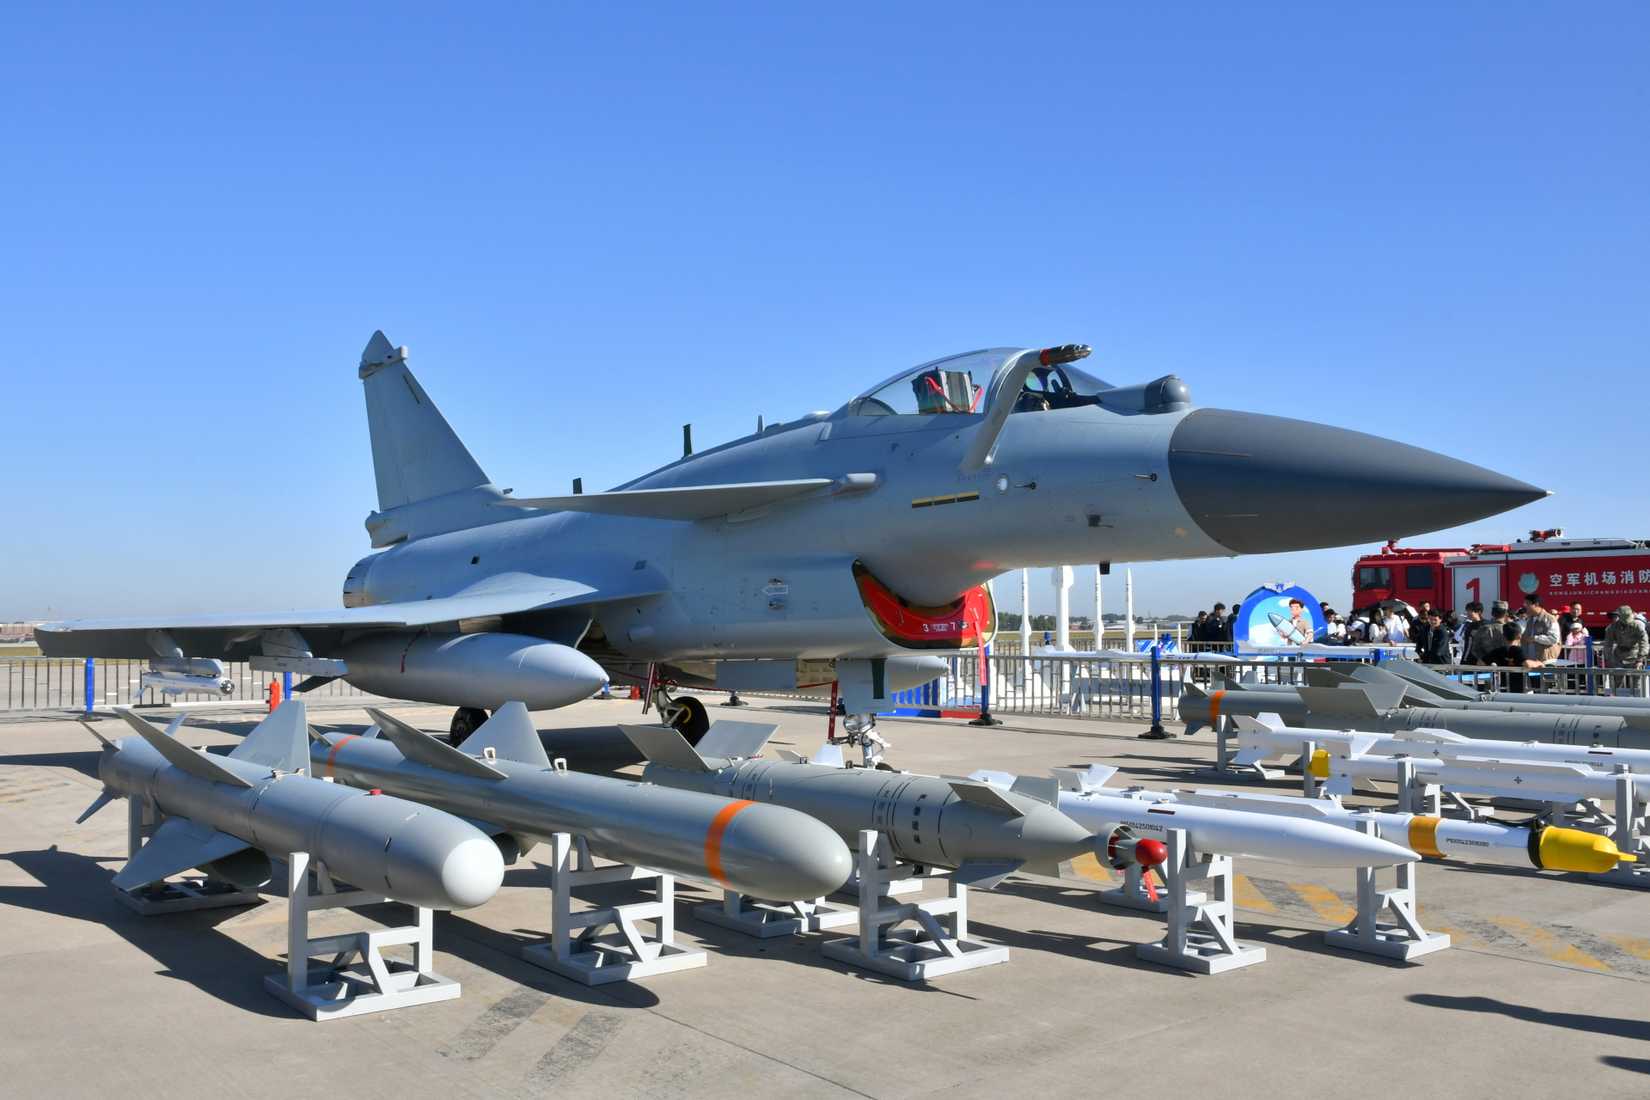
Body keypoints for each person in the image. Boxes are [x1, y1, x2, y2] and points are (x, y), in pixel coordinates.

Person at [1605, 605, 1648, 692]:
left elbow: (1644, 643)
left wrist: (1640, 659)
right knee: (1616, 683)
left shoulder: (1638, 626)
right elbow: (1608, 644)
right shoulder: (1612, 627)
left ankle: (1637, 701)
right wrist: (1609, 659)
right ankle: (1615, 701)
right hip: (1618, 657)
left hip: (1634, 656)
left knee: (1637, 684)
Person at [1521, 596, 1562, 666]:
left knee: (1547, 677)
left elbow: (1554, 639)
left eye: (1527, 603)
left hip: (1546, 661)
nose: (1525, 606)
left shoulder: (1550, 619)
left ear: (1536, 604)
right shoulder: (1529, 620)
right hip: (1531, 662)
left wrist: (1535, 638)